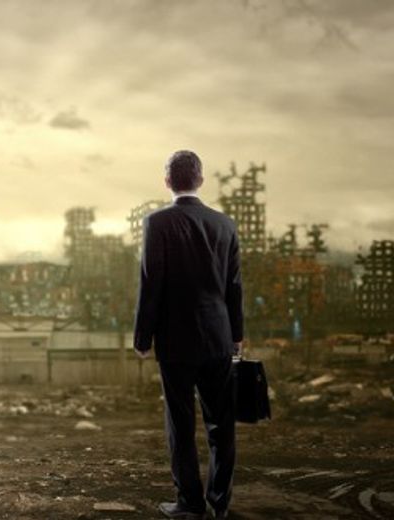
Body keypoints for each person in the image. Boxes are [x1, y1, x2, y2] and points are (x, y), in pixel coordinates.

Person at [133, 150, 243, 520]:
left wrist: (143, 337)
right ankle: (220, 502)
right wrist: (237, 334)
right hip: (218, 335)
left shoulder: (157, 222)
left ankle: (189, 503)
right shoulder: (225, 224)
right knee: (221, 424)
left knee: (180, 424)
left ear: (167, 181)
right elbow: (234, 285)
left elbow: (151, 282)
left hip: (176, 338)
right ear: (201, 180)